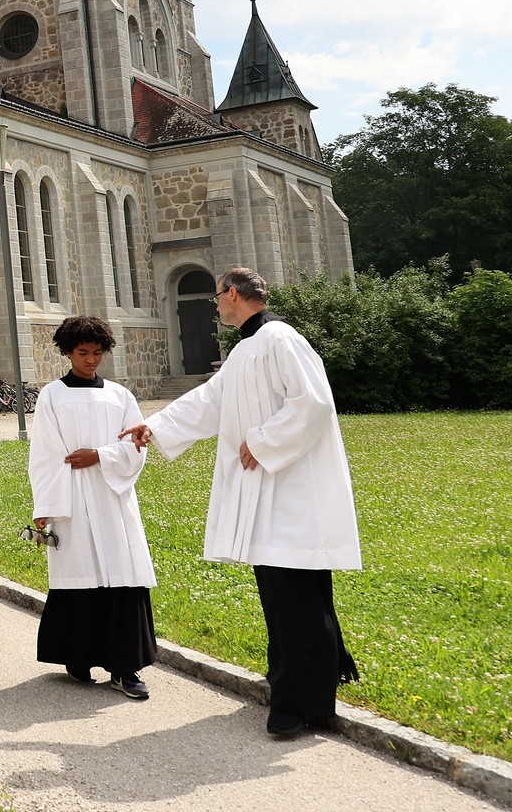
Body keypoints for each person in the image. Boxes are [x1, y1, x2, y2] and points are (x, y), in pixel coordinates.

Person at [123, 267, 360, 738]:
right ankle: (307, 677)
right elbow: (209, 402)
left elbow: (313, 403)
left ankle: (302, 704)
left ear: (232, 294)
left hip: (293, 491)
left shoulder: (281, 339)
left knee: (297, 595)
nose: (214, 306)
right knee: (282, 593)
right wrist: (156, 426)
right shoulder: (247, 348)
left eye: (217, 297)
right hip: (268, 494)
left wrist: (263, 442)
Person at [28, 316, 156, 700]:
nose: (91, 360)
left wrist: (99, 455)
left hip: (113, 497)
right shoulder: (52, 396)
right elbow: (45, 453)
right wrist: (46, 505)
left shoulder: (120, 396)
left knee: (123, 575)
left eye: (97, 352)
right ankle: (78, 655)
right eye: (82, 352)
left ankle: (125, 668)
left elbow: (137, 445)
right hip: (71, 497)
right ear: (67, 352)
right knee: (80, 575)